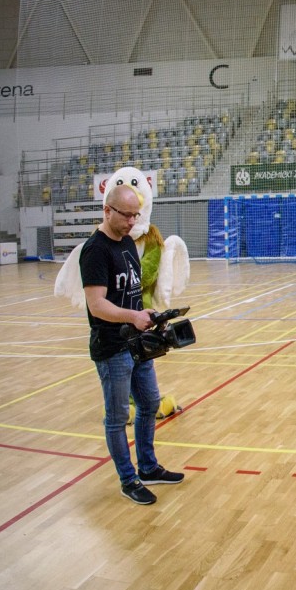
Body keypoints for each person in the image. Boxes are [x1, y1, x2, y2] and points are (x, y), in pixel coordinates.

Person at [82, 182, 185, 505]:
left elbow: (130, 293)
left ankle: (148, 467)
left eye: (135, 215)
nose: (132, 221)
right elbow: (97, 305)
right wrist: (132, 316)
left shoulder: (127, 243)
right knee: (116, 418)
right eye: (126, 215)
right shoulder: (95, 250)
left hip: (136, 343)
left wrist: (147, 314)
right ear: (107, 210)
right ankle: (128, 480)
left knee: (150, 403)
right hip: (112, 348)